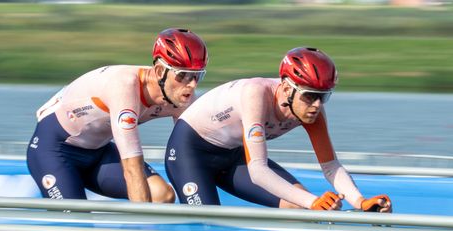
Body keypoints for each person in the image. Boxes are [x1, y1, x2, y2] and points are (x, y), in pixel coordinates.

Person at [165, 47, 391, 212]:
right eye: (310, 96)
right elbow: (259, 173)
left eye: (324, 97)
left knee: (297, 207)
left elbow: (331, 166)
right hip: (190, 153)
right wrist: (313, 201)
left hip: (232, 155)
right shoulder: (256, 95)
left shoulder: (313, 111)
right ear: (286, 88)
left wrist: (361, 202)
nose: (316, 106)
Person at [27, 28, 208, 202]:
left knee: (162, 195)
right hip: (54, 149)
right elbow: (132, 167)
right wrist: (143, 226)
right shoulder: (124, 87)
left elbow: (195, 152)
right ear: (161, 71)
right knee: (77, 225)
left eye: (197, 76)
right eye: (183, 75)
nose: (192, 85)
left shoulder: (181, 94)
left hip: (98, 152)